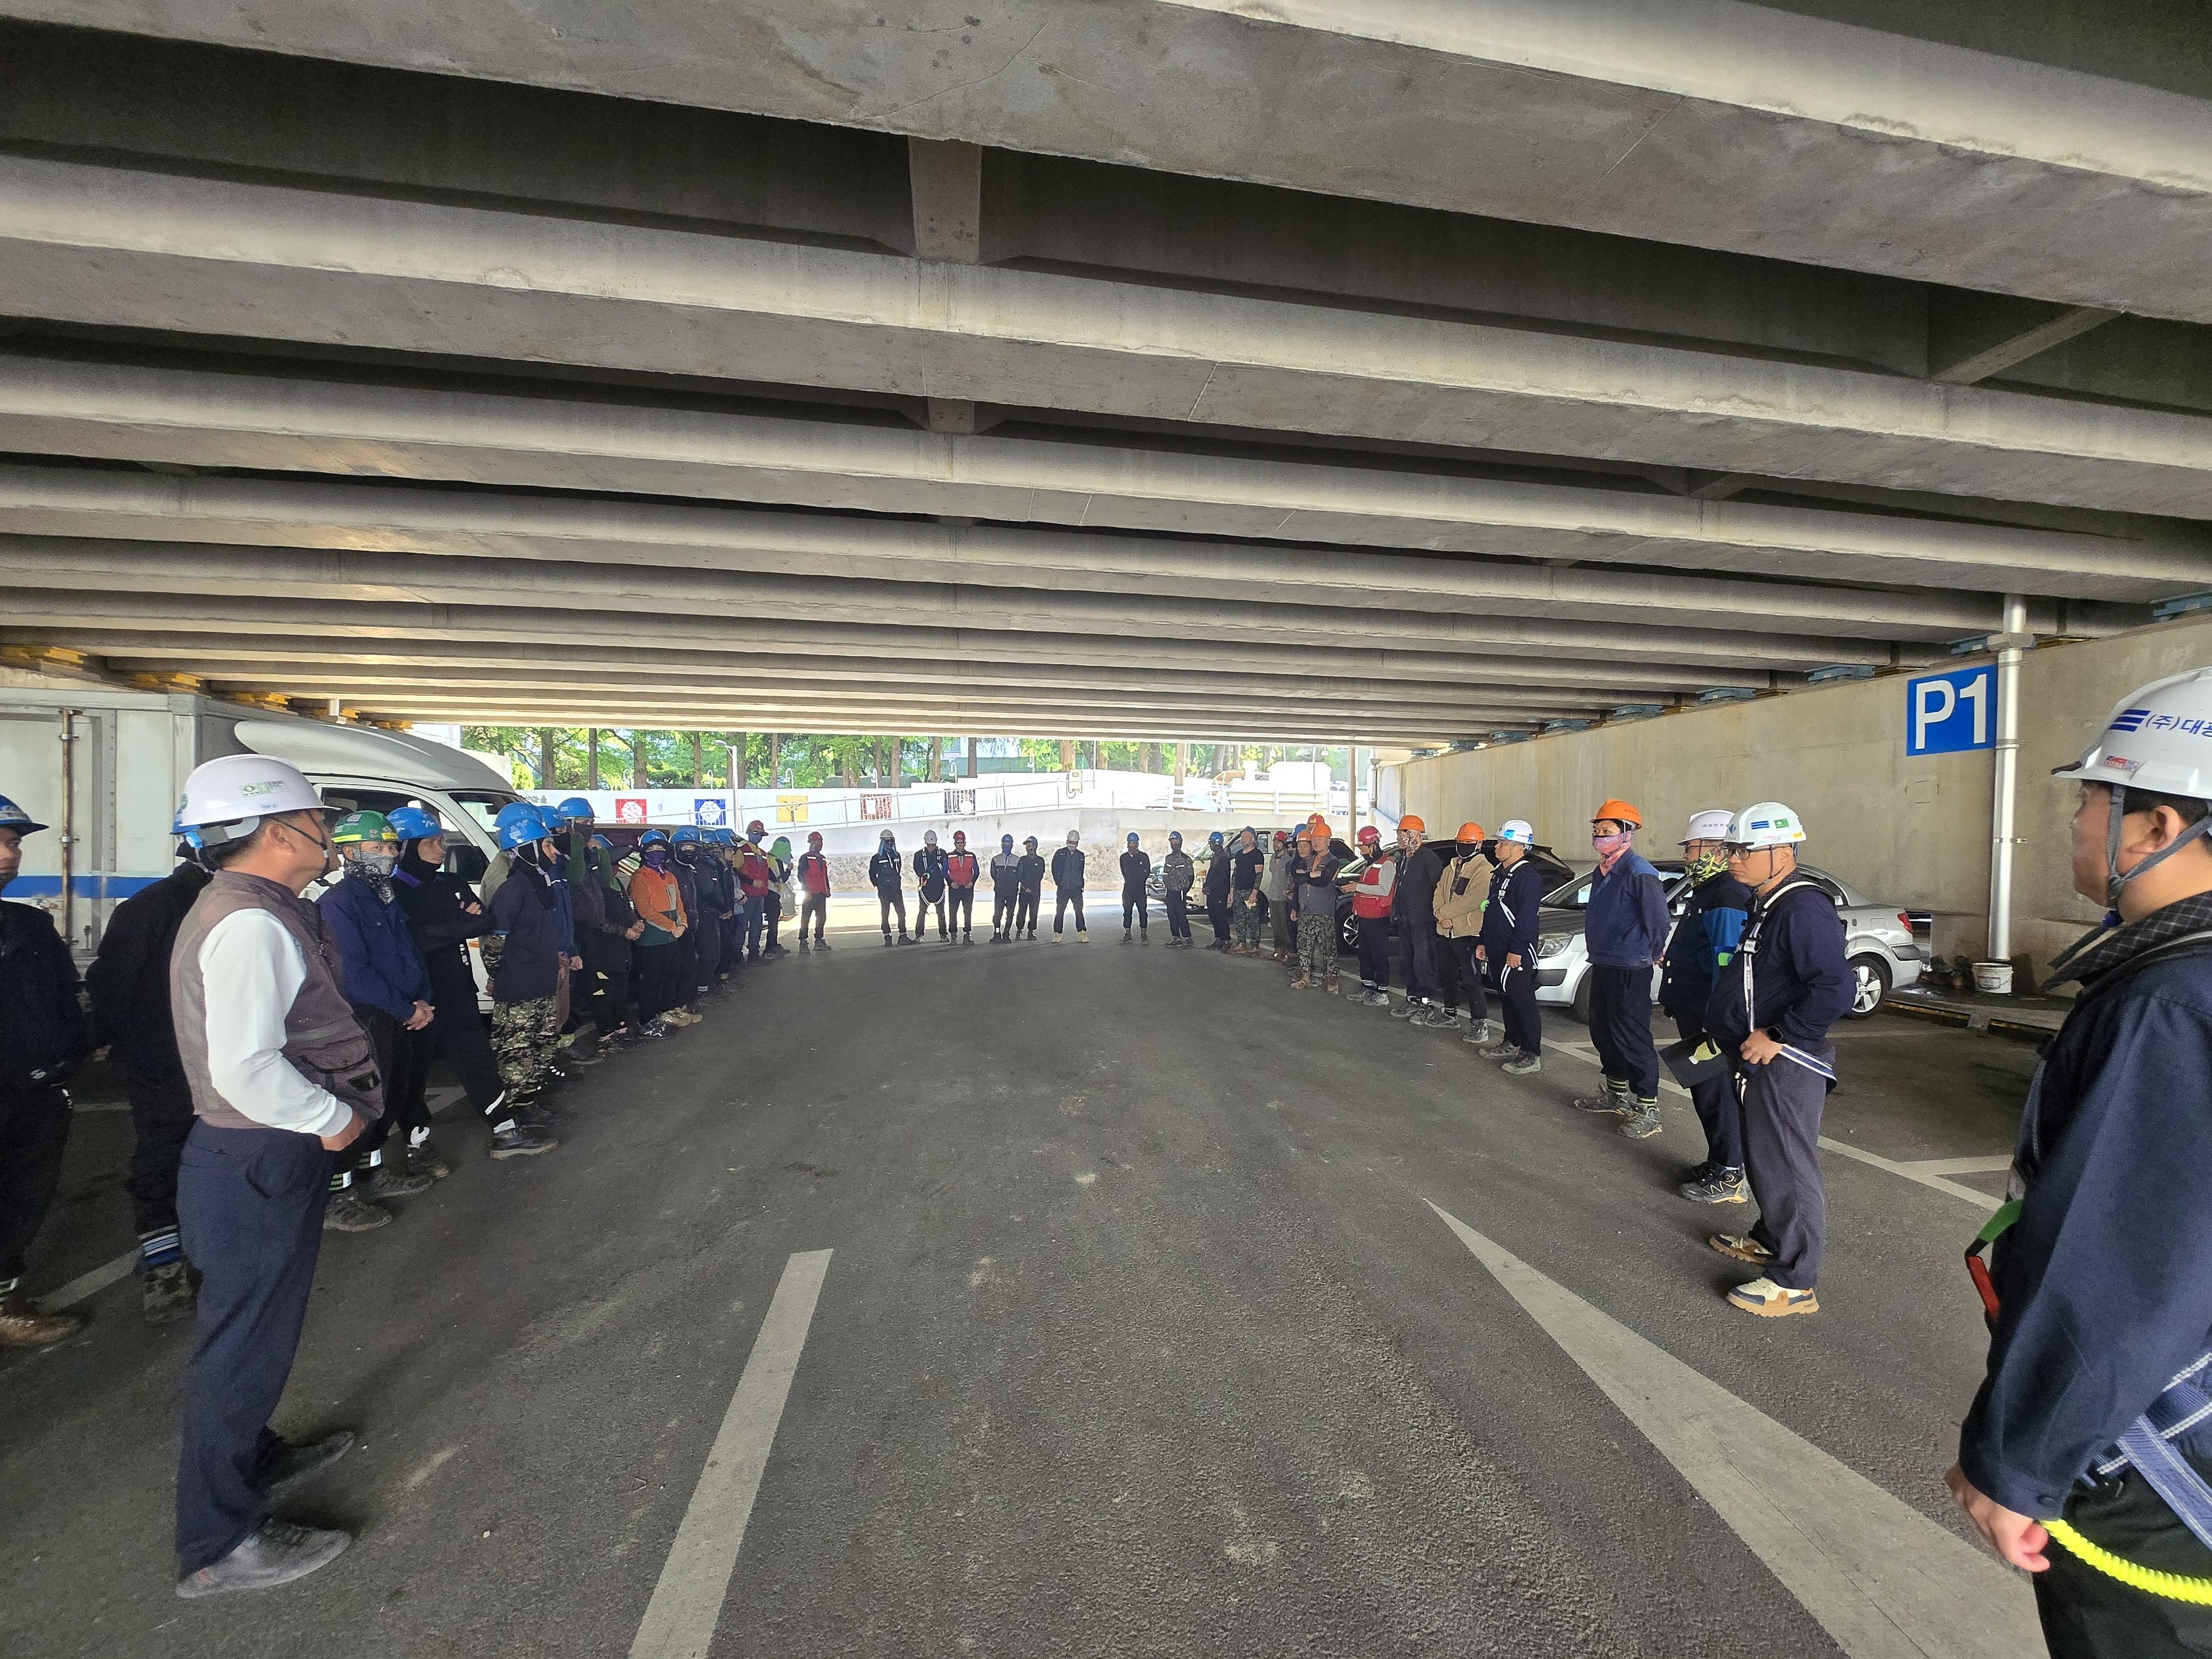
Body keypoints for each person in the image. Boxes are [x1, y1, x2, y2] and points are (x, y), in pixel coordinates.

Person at [1943, 674, 2212, 1657]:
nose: (2075, 823)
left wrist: (2017, 1461)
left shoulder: (2169, 1006)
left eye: (2091, 798)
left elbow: (2120, 1265)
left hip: (2162, 1466)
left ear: (2156, 828)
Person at [166, 754, 375, 1596]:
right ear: (278, 832)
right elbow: (247, 1068)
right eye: (318, 821)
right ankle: (218, 1544)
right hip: (256, 1153)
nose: (328, 835)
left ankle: (254, 1455)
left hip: (252, 1155)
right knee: (243, 1346)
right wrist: (335, 1119)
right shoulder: (251, 923)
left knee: (255, 1333)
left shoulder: (255, 906)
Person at [1702, 802, 1850, 1319]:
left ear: (1783, 852)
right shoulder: (1769, 902)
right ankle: (1771, 1239)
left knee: (1787, 1164)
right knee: (1765, 1156)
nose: (1733, 858)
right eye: (1731, 849)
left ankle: (1795, 1281)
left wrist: (1779, 1034)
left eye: (1745, 850)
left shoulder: (1802, 908)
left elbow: (1834, 987)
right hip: (1755, 1058)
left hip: (1786, 1061)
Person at [86, 819, 211, 1322]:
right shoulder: (155, 907)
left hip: (220, 1059)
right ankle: (164, 1263)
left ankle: (208, 1239)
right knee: (162, 1158)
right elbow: (111, 985)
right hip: (166, 1062)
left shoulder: (240, 901)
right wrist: (127, 1046)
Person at [390, 809, 559, 1149]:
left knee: (479, 1062)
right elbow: (415, 938)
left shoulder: (450, 883)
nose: (441, 850)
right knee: (412, 1075)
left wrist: (444, 927)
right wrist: (457, 923)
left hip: (458, 991)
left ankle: (505, 1130)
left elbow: (484, 922)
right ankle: (416, 1147)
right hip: (417, 999)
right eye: (430, 843)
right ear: (406, 848)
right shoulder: (394, 892)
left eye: (441, 841)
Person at [0, 791, 93, 1348]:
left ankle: (5, 1302)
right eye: (0, 842)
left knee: (21, 1198)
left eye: (13, 843)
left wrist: (74, 1052)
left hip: (34, 1094)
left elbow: (66, 998)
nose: (9, 853)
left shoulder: (29, 926)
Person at [317, 811, 437, 1232]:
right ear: (350, 854)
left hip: (400, 1012)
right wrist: (405, 1009)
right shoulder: (338, 905)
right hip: (368, 1017)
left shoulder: (385, 896)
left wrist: (422, 998)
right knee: (362, 1102)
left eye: (390, 847)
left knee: (392, 1097)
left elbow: (408, 951)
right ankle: (338, 1195)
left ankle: (372, 1173)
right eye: (377, 847)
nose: (388, 854)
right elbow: (354, 973)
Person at [1660, 808, 1754, 1202]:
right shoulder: (1708, 890)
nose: (1686, 855)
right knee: (1704, 1090)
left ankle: (1730, 1172)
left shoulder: (1725, 894)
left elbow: (1725, 962)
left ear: (1716, 849)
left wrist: (1719, 1021)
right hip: (1694, 1006)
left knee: (1716, 1092)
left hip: (1708, 1014)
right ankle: (1719, 1161)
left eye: (1692, 847)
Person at [1573, 799, 1671, 1134]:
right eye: (1597, 830)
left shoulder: (1640, 871)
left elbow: (1658, 919)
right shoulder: (1603, 870)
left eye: (1607, 831)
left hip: (1630, 965)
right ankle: (1616, 1095)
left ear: (1627, 834)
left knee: (1632, 1035)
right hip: (1603, 961)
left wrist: (1652, 951)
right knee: (1603, 1031)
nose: (1600, 836)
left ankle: (1648, 1107)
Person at [487, 805, 583, 1128]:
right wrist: (500, 975)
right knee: (518, 1051)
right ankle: (517, 1111)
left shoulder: (539, 885)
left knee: (542, 1045)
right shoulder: (512, 889)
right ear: (527, 850)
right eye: (547, 845)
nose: (554, 851)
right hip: (520, 989)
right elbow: (494, 942)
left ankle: (531, 1100)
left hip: (542, 982)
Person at [1475, 820, 1545, 1075]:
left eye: (1503, 843)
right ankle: (1512, 1041)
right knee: (1507, 998)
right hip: (1496, 947)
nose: (1497, 846)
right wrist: (1484, 940)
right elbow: (1491, 910)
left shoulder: (1528, 877)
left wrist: (1517, 949)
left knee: (1522, 1000)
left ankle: (1531, 1053)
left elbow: (1527, 918)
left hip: (1515, 952)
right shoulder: (1500, 873)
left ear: (1519, 848)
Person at [572, 825, 644, 1050]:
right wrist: (624, 931)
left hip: (620, 950)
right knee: (602, 992)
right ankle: (606, 1034)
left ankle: (621, 1029)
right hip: (600, 949)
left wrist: (635, 921)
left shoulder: (616, 882)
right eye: (610, 862)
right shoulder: (591, 888)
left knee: (621, 990)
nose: (615, 867)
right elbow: (597, 920)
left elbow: (626, 908)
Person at [547, 799, 607, 1061]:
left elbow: (603, 880)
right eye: (582, 823)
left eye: (591, 822)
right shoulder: (560, 861)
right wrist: (575, 842)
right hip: (565, 936)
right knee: (562, 994)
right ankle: (560, 1048)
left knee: (578, 987)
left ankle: (567, 1043)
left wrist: (597, 852)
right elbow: (575, 877)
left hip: (579, 932)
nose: (588, 827)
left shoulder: (577, 853)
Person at [1433, 822, 1494, 1045]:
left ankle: (1480, 1023)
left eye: (1467, 843)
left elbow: (1472, 901)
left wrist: (1444, 913)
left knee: (1471, 980)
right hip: (1446, 931)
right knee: (1447, 975)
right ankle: (1450, 1014)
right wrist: (1440, 915)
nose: (1462, 847)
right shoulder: (1450, 867)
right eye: (1460, 842)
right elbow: (1439, 892)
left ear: (1479, 845)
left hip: (1468, 933)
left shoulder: (1484, 870)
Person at [1390, 816, 1453, 1027]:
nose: (1399, 838)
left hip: (1423, 920)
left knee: (1423, 962)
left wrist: (1439, 913)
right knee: (1407, 962)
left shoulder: (1428, 858)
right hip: (1405, 919)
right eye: (1399, 834)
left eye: (1402, 833)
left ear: (1414, 834)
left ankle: (1426, 1004)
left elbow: (1439, 888)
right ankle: (1413, 999)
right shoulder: (1404, 858)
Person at [629, 829, 690, 1030]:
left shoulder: (670, 876)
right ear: (644, 853)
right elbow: (645, 911)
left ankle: (666, 1013)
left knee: (671, 978)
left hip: (671, 939)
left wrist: (683, 924)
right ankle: (648, 1022)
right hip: (652, 940)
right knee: (651, 983)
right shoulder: (640, 877)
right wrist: (673, 927)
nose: (656, 852)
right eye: (651, 849)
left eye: (660, 848)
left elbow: (679, 903)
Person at [1344, 824, 1398, 1005]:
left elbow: (1384, 889)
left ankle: (1382, 992)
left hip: (1378, 918)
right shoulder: (1370, 864)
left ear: (1373, 845)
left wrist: (1357, 887)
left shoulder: (1387, 864)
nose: (1361, 851)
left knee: (1378, 955)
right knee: (1365, 954)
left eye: (1363, 847)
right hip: (1365, 916)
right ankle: (1367, 987)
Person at [671, 827, 724, 1009]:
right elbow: (705, 892)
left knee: (702, 959)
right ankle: (685, 1003)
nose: (689, 851)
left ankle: (696, 997)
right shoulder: (675, 870)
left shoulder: (690, 868)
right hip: (682, 924)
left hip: (693, 921)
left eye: (692, 847)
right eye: (684, 848)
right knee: (691, 964)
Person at [1289, 826, 1343, 991]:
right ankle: (1304, 977)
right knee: (1304, 946)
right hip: (1306, 911)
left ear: (1328, 841)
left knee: (1328, 947)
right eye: (1314, 839)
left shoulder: (1333, 861)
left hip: (1324, 912)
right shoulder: (1308, 860)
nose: (1316, 842)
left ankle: (1333, 980)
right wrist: (1311, 876)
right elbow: (1297, 879)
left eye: (1320, 839)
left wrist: (1308, 876)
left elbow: (1324, 881)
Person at [1229, 827, 1267, 955]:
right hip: (1238, 891)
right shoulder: (1239, 854)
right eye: (1243, 836)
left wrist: (1254, 893)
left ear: (1253, 839)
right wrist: (1232, 891)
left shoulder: (1257, 854)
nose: (1243, 839)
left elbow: (1259, 875)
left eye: (1246, 836)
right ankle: (1241, 944)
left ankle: (1255, 946)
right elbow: (1235, 873)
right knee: (1239, 919)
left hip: (1250, 892)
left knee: (1252, 920)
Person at [741, 819, 774, 963]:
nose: (758, 836)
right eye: (756, 833)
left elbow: (768, 873)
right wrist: (751, 882)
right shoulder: (742, 851)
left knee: (757, 925)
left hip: (760, 895)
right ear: (749, 833)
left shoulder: (763, 853)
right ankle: (737, 956)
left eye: (760, 834)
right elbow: (736, 870)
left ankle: (754, 954)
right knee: (742, 926)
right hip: (747, 895)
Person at [870, 828, 911, 945]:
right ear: (883, 842)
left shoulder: (896, 856)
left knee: (901, 912)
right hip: (884, 890)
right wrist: (879, 885)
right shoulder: (877, 858)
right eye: (887, 841)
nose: (889, 844)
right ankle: (887, 936)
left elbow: (898, 870)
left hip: (896, 889)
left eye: (891, 841)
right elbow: (872, 873)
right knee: (885, 913)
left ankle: (903, 935)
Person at [796, 830, 833, 950]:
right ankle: (803, 941)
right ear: (811, 843)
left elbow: (824, 876)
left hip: (821, 893)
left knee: (821, 917)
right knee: (806, 918)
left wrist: (827, 889)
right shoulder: (805, 858)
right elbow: (801, 876)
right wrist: (806, 891)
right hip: (810, 893)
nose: (820, 844)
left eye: (821, 841)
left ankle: (819, 940)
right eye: (817, 841)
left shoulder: (822, 859)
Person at [913, 828, 951, 941]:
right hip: (925, 887)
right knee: (922, 911)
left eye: (933, 845)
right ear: (925, 842)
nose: (931, 848)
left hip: (939, 886)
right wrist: (924, 875)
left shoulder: (942, 854)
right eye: (929, 845)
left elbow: (946, 869)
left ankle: (943, 934)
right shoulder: (919, 855)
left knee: (941, 912)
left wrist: (949, 881)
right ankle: (919, 934)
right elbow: (917, 868)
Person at [1263, 830, 1295, 961]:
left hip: (1284, 898)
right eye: (1275, 842)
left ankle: (1288, 951)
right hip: (1273, 896)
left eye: (1279, 842)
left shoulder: (1289, 859)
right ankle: (1278, 950)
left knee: (1285, 926)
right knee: (1276, 925)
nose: (1276, 844)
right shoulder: (1272, 859)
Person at [1051, 830, 1088, 941]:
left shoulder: (1081, 856)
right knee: (1060, 912)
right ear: (1067, 841)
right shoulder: (1060, 853)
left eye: (1074, 843)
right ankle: (1057, 934)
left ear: (1077, 843)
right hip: (1063, 888)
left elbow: (1081, 871)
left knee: (1079, 911)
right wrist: (1058, 882)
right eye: (1070, 842)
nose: (1072, 844)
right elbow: (1054, 868)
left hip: (1076, 889)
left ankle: (1082, 934)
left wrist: (1080, 885)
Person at [1160, 830, 1196, 947]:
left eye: (1176, 842)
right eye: (1172, 842)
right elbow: (1165, 873)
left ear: (1181, 843)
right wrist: (1167, 885)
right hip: (1170, 891)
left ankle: (1188, 938)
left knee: (1181, 916)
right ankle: (1176, 938)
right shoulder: (1168, 858)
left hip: (1180, 892)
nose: (1174, 845)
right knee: (1171, 915)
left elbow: (1191, 876)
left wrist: (1184, 890)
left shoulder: (1186, 859)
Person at [1202, 829, 1233, 949]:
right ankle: (1218, 939)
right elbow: (1211, 874)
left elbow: (1222, 877)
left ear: (1216, 843)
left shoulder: (1224, 858)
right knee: (1213, 916)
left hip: (1220, 892)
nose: (1210, 845)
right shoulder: (1215, 857)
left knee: (1220, 916)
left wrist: (1211, 887)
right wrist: (1206, 886)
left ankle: (1226, 940)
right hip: (1212, 892)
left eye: (1211, 843)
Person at [988, 833, 1021, 942]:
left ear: (1012, 845)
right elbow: (994, 875)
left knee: (1010, 914)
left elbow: (1020, 875)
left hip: (1012, 892)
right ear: (1002, 845)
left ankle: (1006, 933)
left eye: (1009, 844)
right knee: (998, 914)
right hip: (1000, 892)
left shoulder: (1018, 860)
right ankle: (997, 933)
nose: (1007, 846)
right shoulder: (996, 859)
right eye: (1005, 844)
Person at [764, 834, 794, 956]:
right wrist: (789, 869)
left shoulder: (767, 859)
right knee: (773, 923)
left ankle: (773, 946)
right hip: (772, 895)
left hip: (767, 894)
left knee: (773, 922)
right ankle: (770, 948)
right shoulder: (777, 861)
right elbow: (782, 879)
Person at [1119, 832, 1152, 943]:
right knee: (1127, 912)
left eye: (1134, 843)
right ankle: (1127, 934)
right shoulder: (1124, 857)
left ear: (1137, 844)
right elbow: (1124, 871)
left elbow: (1147, 872)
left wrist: (1139, 881)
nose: (1132, 845)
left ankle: (1144, 934)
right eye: (1130, 843)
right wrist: (1130, 881)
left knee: (1143, 912)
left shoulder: (1144, 857)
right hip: (1128, 889)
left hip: (1140, 889)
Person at [1014, 836, 1045, 940]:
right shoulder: (1022, 860)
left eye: (1030, 845)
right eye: (1027, 845)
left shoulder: (1040, 861)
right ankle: (1019, 931)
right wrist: (1025, 888)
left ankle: (1031, 932)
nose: (1028, 847)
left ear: (1035, 846)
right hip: (1024, 891)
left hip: (1035, 892)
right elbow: (1019, 875)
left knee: (1034, 913)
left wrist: (1032, 888)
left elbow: (1040, 876)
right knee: (1021, 912)